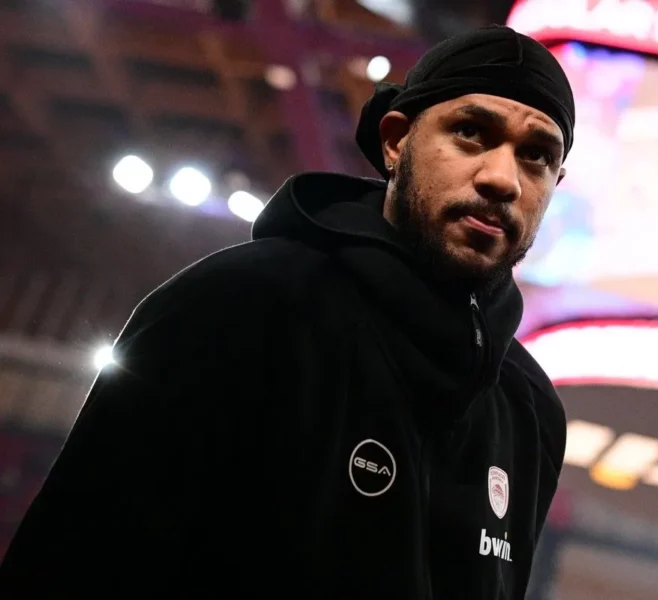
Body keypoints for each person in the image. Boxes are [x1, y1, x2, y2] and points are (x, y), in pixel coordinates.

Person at [0, 25, 574, 598]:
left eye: (537, 156)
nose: (502, 179)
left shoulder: (531, 409)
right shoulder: (236, 306)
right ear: (396, 142)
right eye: (471, 132)